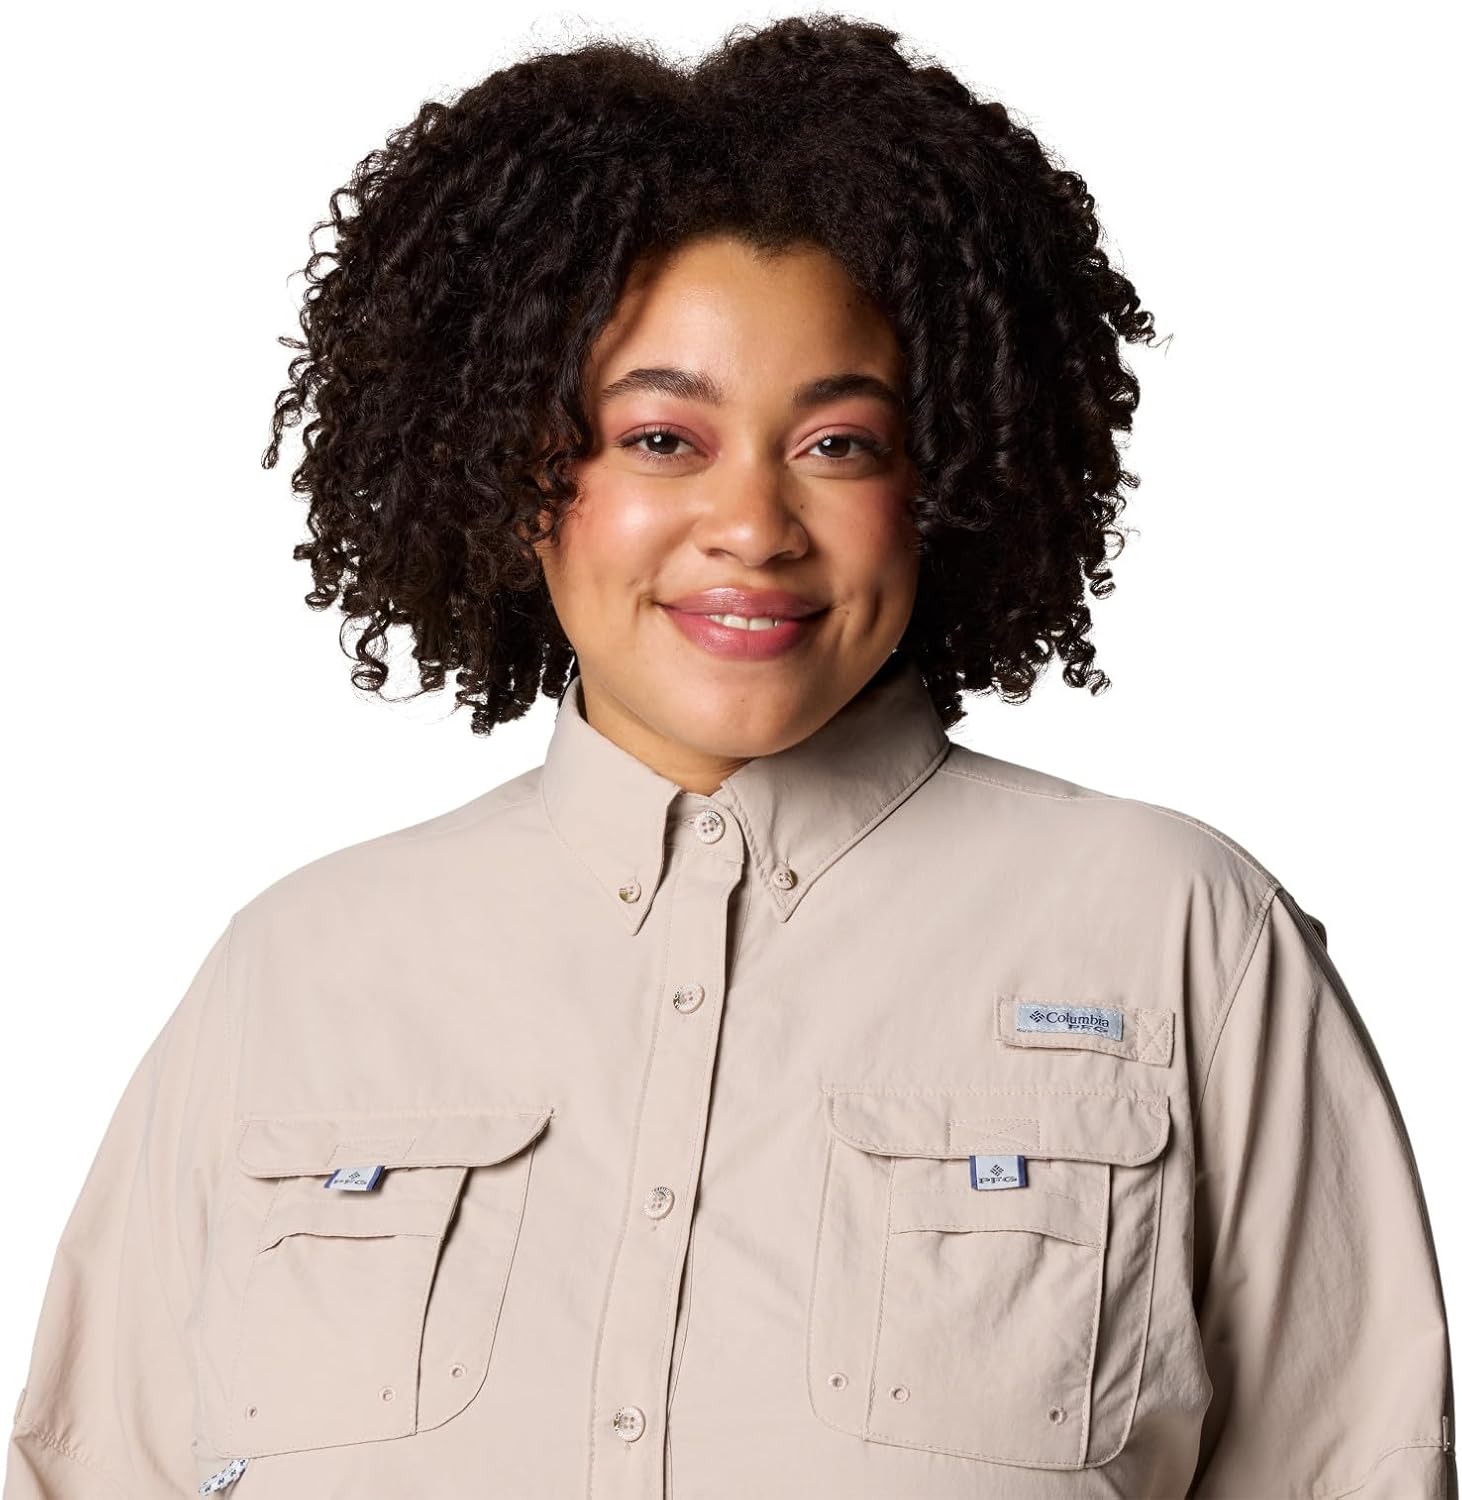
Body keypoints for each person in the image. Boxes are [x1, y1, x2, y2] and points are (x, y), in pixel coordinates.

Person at [4, 14, 1455, 1500]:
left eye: (838, 445)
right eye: (660, 439)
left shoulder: (1180, 936)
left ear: (946, 482)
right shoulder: (296, 972)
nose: (754, 527)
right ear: (516, 468)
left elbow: (1355, 1466)